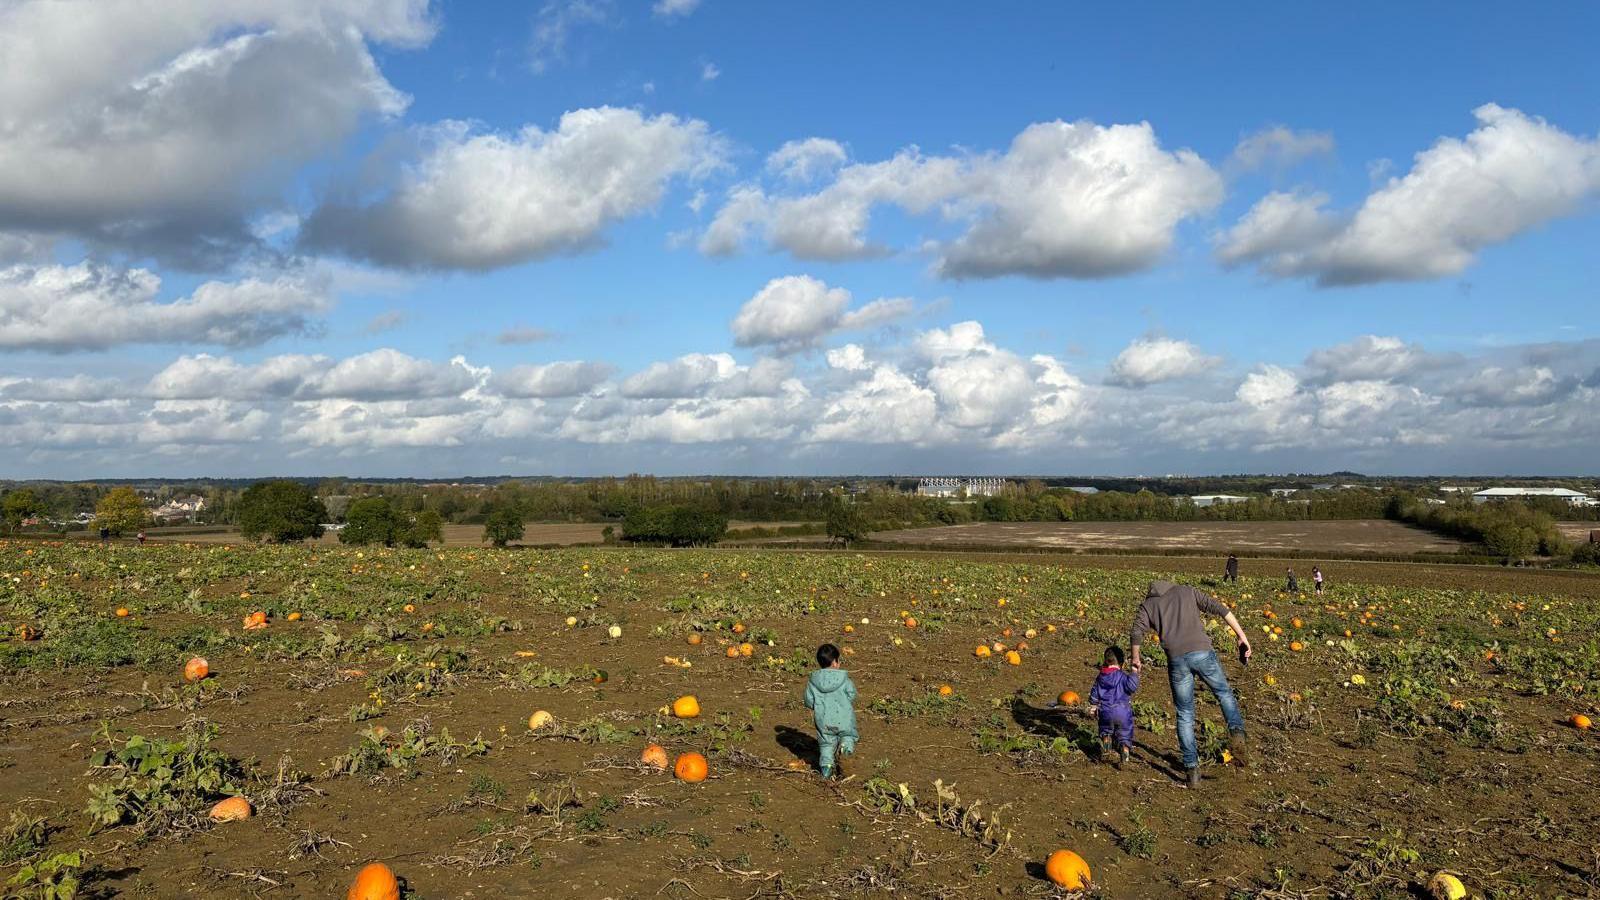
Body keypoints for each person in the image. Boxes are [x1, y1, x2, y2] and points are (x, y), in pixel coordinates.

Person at [1129, 581, 1250, 788]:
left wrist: (1136, 658)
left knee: (1185, 714)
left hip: (1177, 660)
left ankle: (1192, 771)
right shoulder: (1186, 591)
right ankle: (1237, 732)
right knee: (1223, 693)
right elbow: (1221, 609)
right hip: (1203, 653)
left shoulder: (1148, 606)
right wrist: (1242, 636)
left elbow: (1136, 632)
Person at [804, 643, 858, 779]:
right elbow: (852, 694)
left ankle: (826, 769)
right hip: (844, 718)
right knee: (847, 736)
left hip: (824, 720)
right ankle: (845, 752)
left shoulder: (813, 681)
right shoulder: (844, 680)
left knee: (826, 744)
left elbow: (809, 701)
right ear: (835, 662)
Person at [1088, 645, 1139, 767]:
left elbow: (1094, 693)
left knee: (1106, 731)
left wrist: (1093, 706)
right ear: (1122, 663)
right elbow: (1132, 687)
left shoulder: (1101, 677)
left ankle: (1106, 749)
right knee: (1125, 734)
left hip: (1105, 711)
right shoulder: (1123, 677)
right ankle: (1125, 756)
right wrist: (1134, 673)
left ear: (1105, 661)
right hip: (1123, 712)